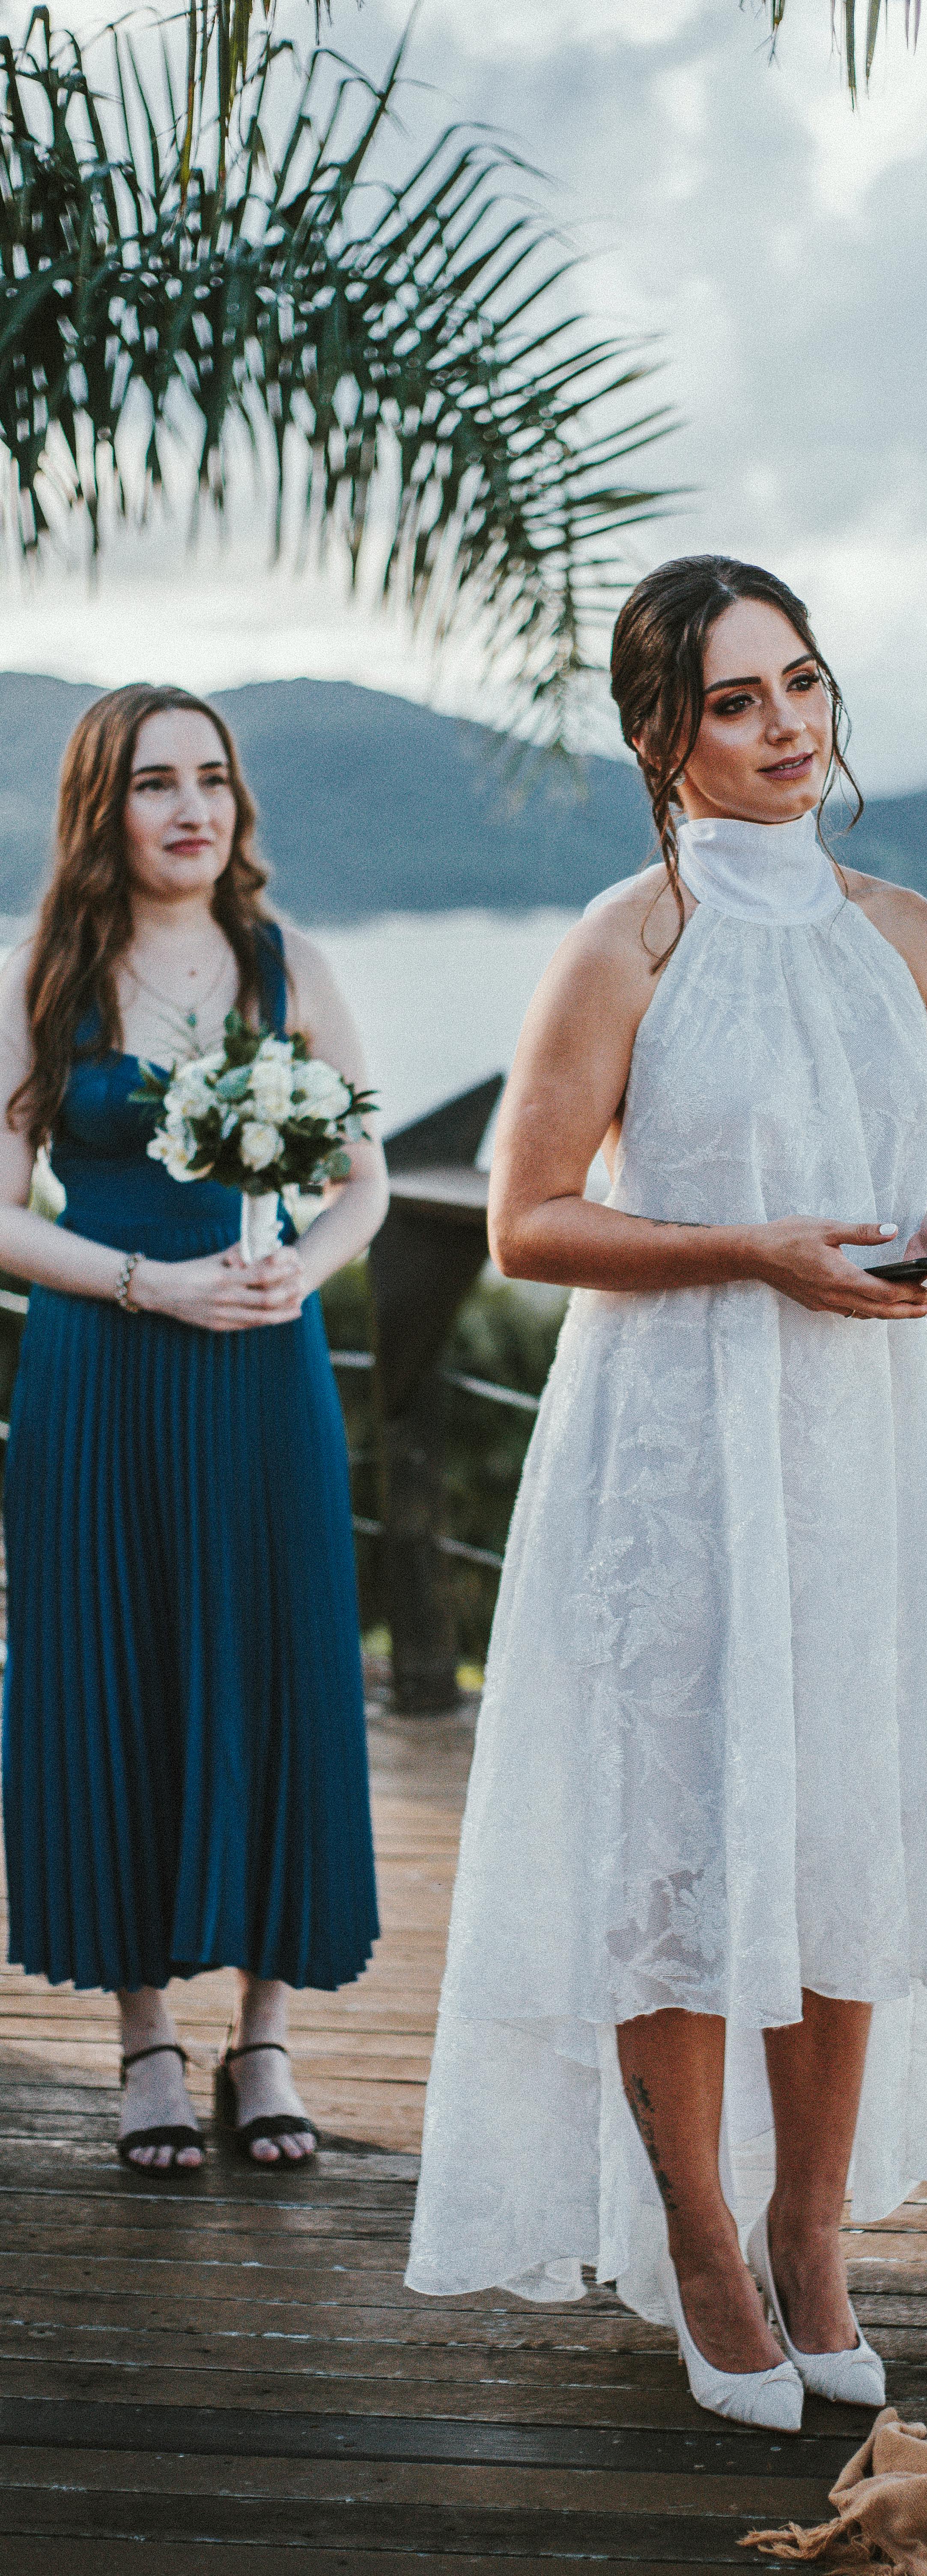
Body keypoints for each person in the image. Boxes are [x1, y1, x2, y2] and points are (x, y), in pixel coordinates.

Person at [406, 555, 927, 2431]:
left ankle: (813, 2232)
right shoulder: (627, 939)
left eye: (802, 685)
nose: (786, 729)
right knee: (670, 1850)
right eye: (737, 702)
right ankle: (696, 2243)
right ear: (659, 740)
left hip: (857, 1444)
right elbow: (527, 1220)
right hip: (675, 1447)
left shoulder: (909, 933)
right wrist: (755, 1248)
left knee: (842, 1826)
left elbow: (925, 1175)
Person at [0, 683, 389, 2172]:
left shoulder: (287, 965)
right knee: (118, 1668)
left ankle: (266, 2036)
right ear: (104, 809)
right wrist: (143, 1283)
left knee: (277, 1664)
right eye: (156, 782)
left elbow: (360, 1180)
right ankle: (147, 2037)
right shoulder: (44, 970)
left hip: (260, 1369)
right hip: (101, 1366)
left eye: (212, 778)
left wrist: (308, 1262)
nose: (191, 808)